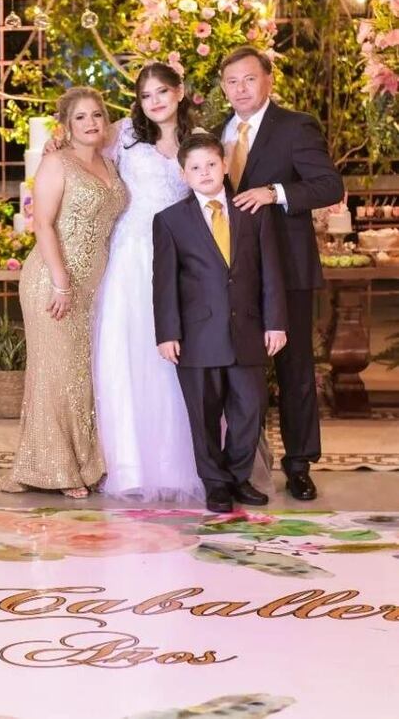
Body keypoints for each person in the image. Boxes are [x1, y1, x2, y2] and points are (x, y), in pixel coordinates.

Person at [217, 46, 345, 501]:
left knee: (294, 370)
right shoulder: (217, 132)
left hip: (287, 269)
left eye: (249, 79)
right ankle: (242, 464)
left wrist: (274, 192)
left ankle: (299, 464)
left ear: (268, 80)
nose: (241, 89)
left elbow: (329, 185)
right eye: (232, 81)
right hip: (233, 272)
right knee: (237, 370)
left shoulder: (294, 126)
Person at [0, 87, 126, 498]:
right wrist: (61, 282)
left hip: (91, 287)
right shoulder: (56, 162)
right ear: (66, 126)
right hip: (53, 282)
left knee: (81, 375)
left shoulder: (109, 162)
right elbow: (42, 224)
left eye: (97, 115)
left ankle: (85, 463)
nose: (91, 123)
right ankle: (56, 469)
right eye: (80, 117)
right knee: (56, 374)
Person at [152, 133, 288, 513]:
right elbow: (164, 283)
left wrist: (275, 322)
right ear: (184, 175)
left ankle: (239, 477)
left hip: (247, 330)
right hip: (197, 336)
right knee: (204, 414)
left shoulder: (252, 213)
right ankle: (215, 484)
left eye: (211, 164)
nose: (205, 172)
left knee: (250, 408)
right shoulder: (170, 221)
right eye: (195, 168)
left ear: (225, 166)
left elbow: (271, 271)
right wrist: (167, 333)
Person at [91, 63, 208, 501]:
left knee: (173, 358)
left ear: (180, 91)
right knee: (129, 353)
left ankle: (181, 466)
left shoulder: (199, 140)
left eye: (162, 91)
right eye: (146, 95)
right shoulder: (124, 135)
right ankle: (130, 466)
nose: (154, 101)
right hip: (130, 255)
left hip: (181, 256)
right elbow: (83, 151)